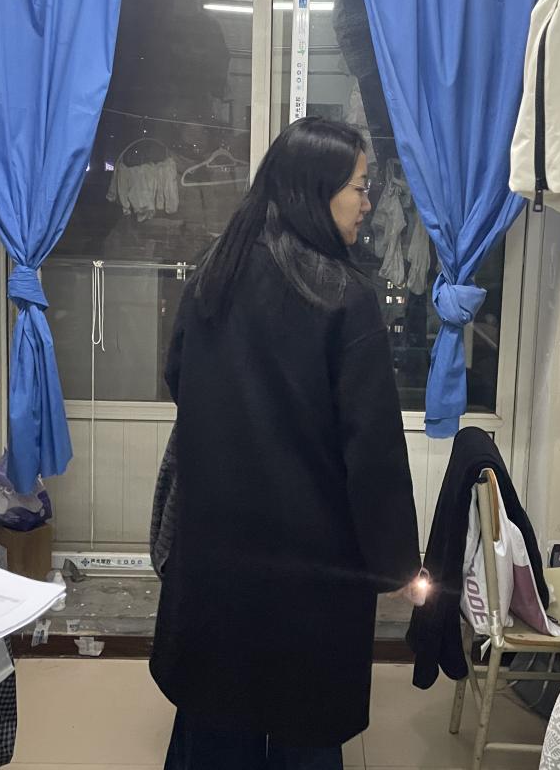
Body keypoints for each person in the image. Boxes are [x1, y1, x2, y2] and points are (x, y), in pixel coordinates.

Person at [151, 117, 424, 769]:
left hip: (216, 547)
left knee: (216, 718)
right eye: (359, 187)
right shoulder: (344, 296)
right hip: (312, 562)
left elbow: (178, 376)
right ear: (315, 190)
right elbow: (373, 450)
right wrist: (394, 563)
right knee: (304, 723)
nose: (366, 202)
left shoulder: (214, 272)